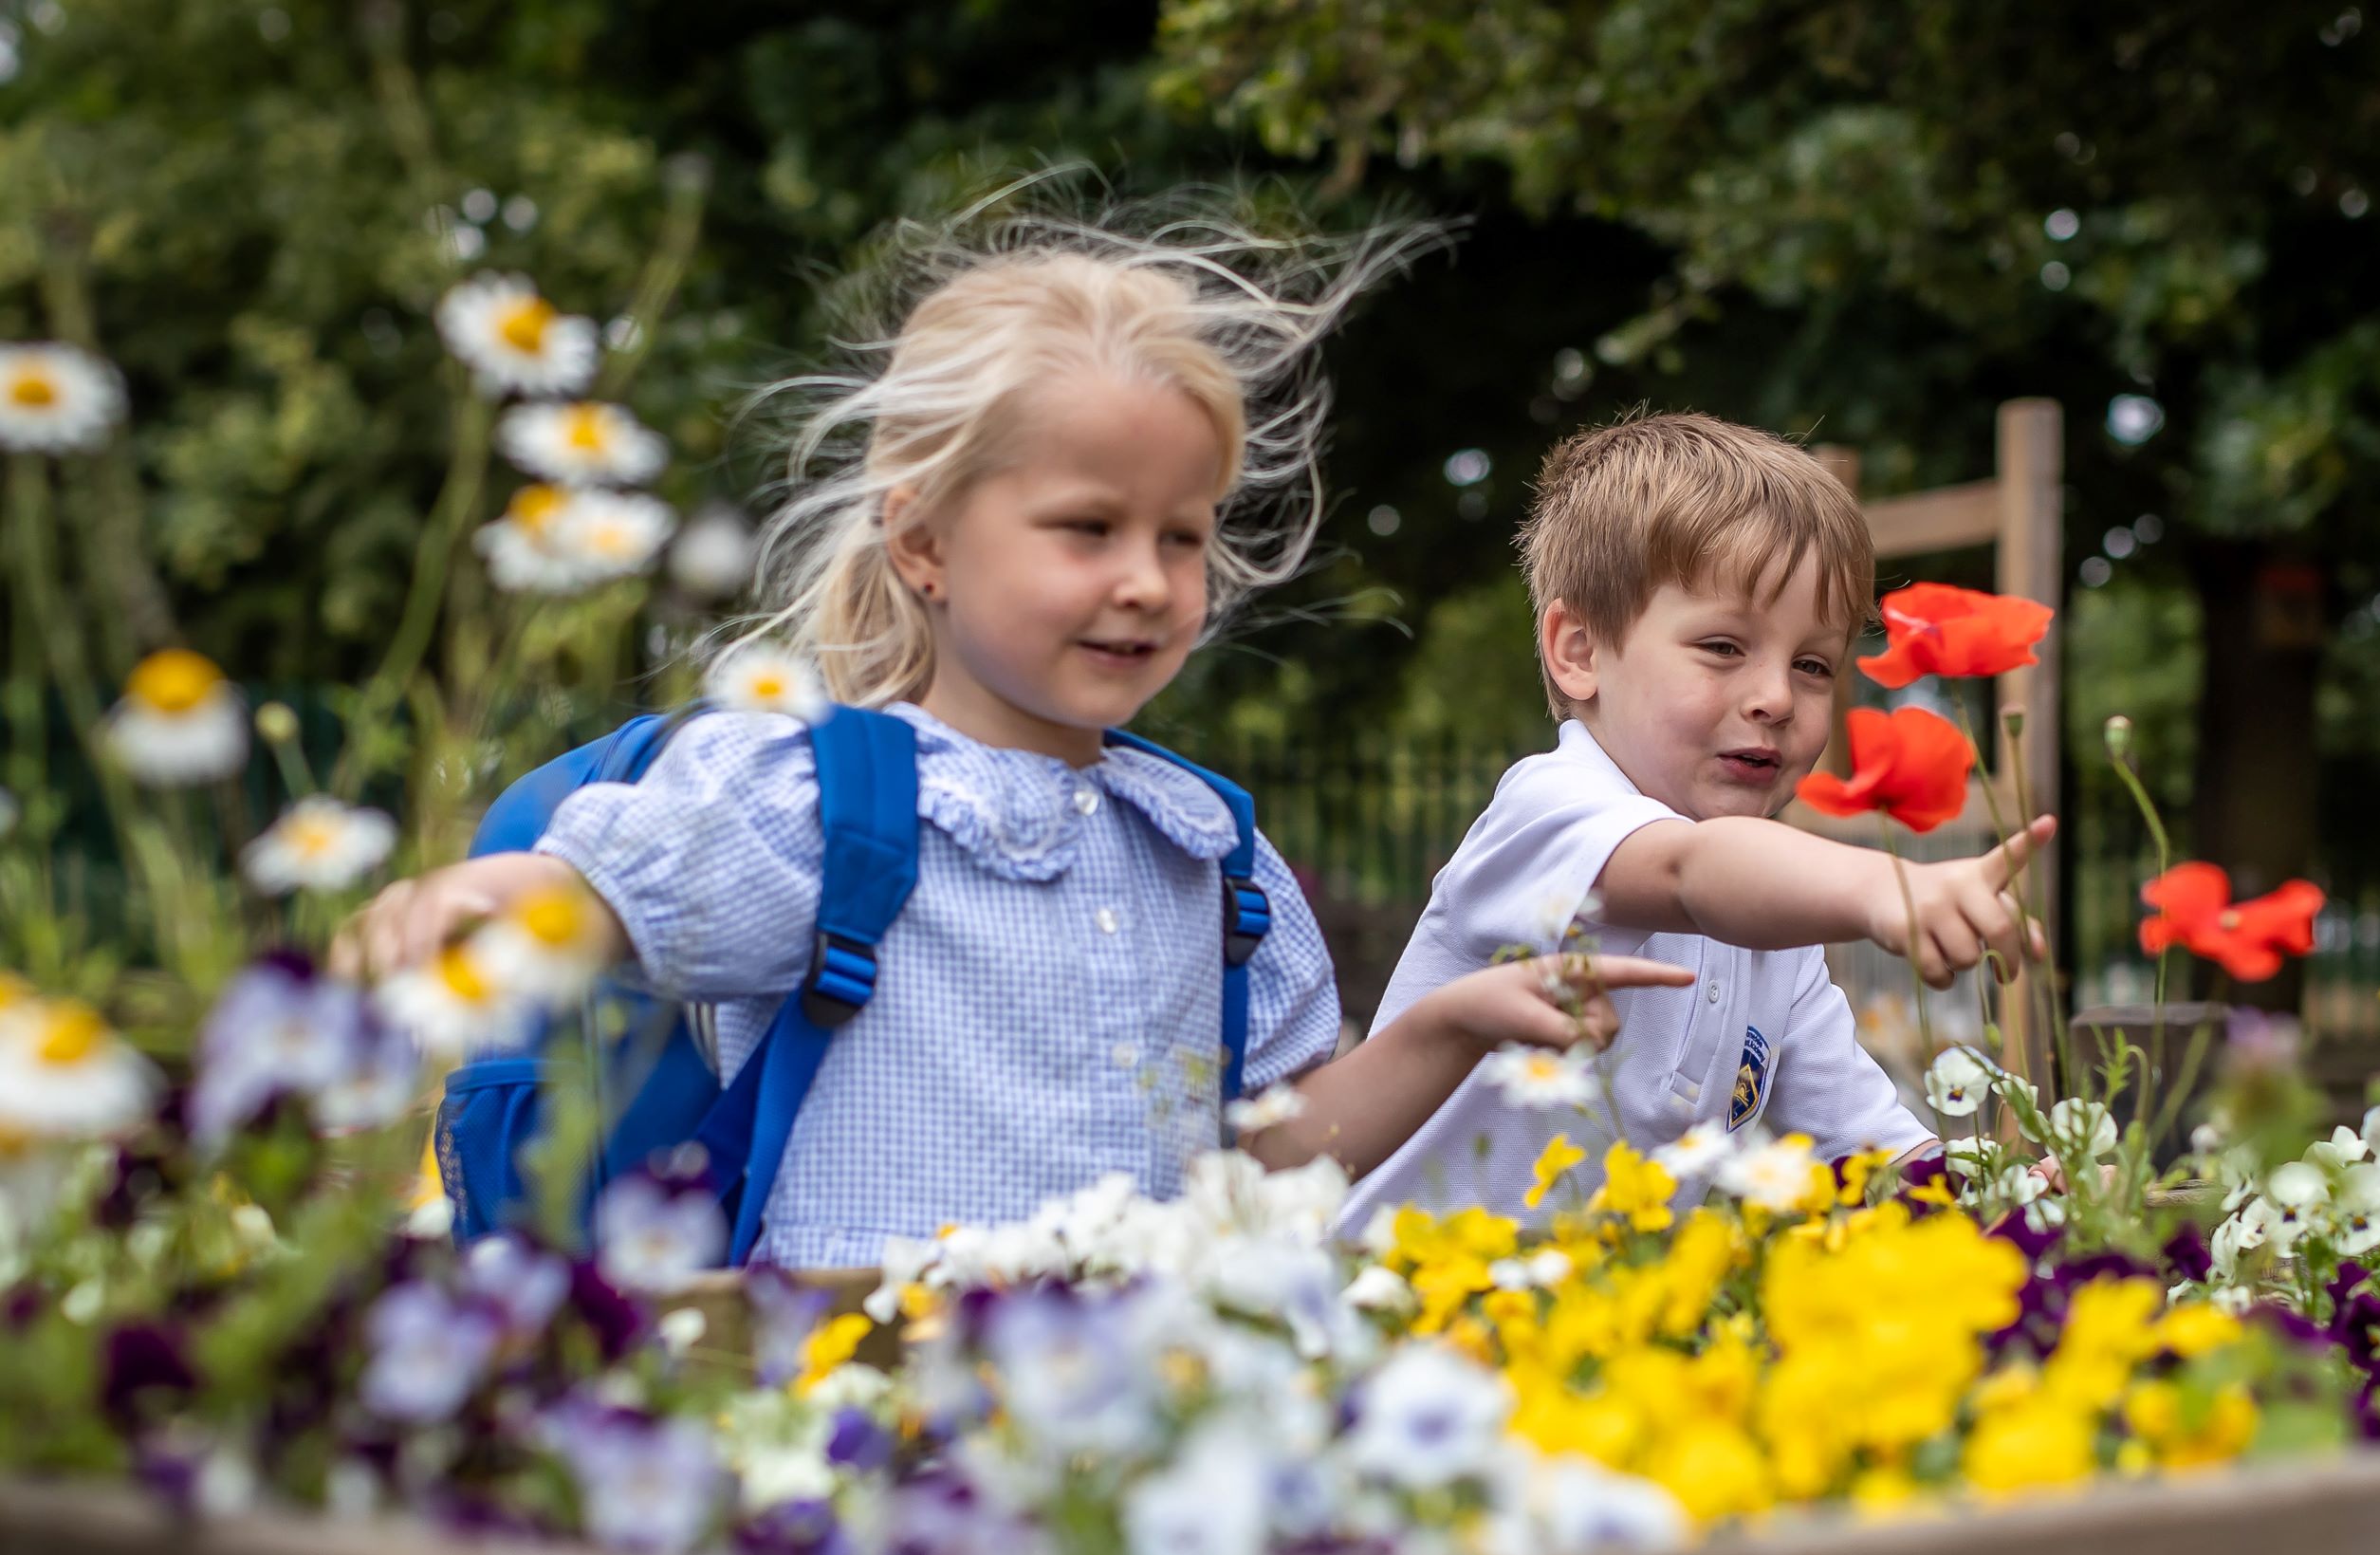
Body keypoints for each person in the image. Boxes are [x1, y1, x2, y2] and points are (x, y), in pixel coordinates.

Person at [339, 206, 1686, 1267]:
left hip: (1127, 1434)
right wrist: (482, 897)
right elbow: (618, 891)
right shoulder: (820, 800)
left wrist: (1447, 1027)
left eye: (1182, 535)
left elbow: (1266, 1159)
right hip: (870, 1422)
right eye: (1087, 529)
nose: (1148, 580)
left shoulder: (1210, 856)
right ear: (923, 539)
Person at [1339, 410, 2052, 1228]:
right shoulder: (1547, 811)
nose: (1778, 697)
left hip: (1589, 1335)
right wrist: (1882, 887)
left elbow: (1864, 1148)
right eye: (1722, 647)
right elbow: (1690, 872)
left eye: (1813, 665)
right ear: (1578, 651)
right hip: (1391, 1309)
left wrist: (2004, 1195)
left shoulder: (1774, 940)